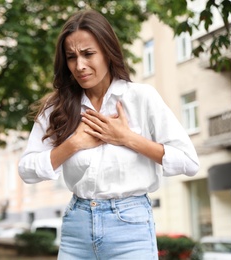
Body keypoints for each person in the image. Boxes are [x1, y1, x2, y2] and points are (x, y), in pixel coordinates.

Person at [18, 9, 199, 260]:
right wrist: (73, 144)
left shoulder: (141, 98)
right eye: (71, 57)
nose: (79, 65)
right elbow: (26, 169)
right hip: (76, 228)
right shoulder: (57, 108)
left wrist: (126, 138)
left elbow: (189, 162)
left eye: (88, 54)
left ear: (107, 50)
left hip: (131, 228)